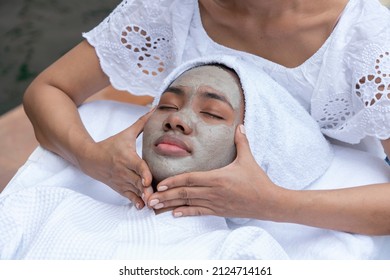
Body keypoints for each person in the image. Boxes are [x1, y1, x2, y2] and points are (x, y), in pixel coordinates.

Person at [22, 0, 390, 235]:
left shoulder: (367, 41)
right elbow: (49, 90)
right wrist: (91, 158)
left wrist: (272, 203)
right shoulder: (171, 8)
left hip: (304, 210)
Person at [0, 64, 289, 260]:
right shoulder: (42, 208)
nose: (176, 119)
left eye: (212, 113)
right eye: (166, 106)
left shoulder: (244, 252)